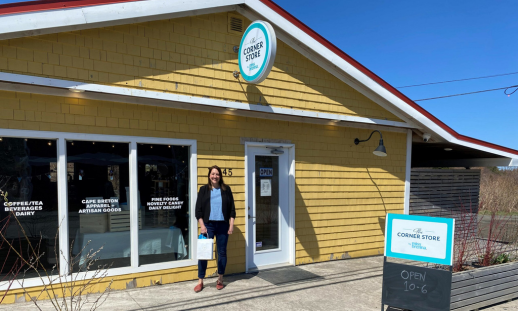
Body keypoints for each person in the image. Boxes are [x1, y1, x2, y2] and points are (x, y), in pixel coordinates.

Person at [194, 165, 236, 292]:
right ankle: (200, 280)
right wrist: (202, 225)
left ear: (220, 176)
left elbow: (232, 209)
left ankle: (220, 279)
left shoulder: (226, 189)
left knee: (222, 252)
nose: (215, 176)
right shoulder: (203, 190)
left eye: (217, 174)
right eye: (213, 174)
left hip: (223, 225)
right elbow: (198, 210)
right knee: (204, 253)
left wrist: (231, 224)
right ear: (209, 176)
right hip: (208, 226)